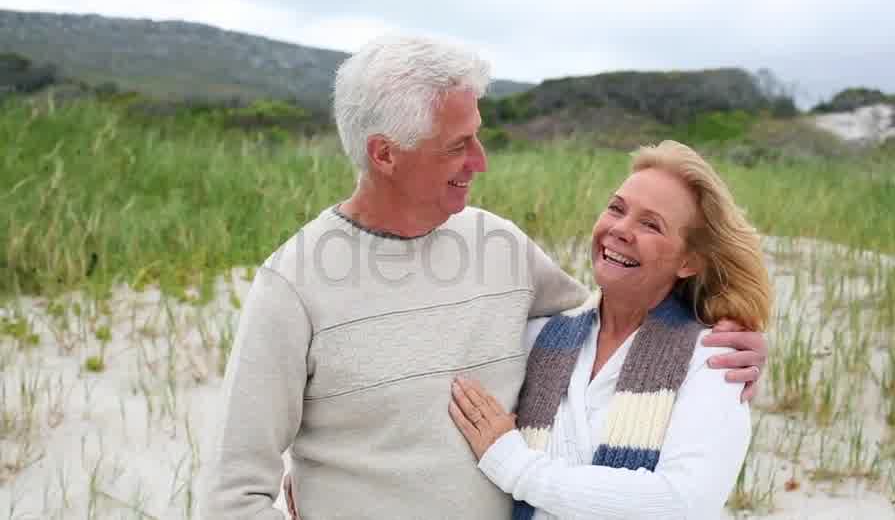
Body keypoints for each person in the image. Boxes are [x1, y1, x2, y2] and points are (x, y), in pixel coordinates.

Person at [198, 35, 767, 520]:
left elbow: (609, 322)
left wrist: (728, 342)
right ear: (386, 154)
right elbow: (231, 496)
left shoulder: (500, 246)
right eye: (458, 145)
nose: (481, 160)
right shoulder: (293, 283)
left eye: (477, 134)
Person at [449, 140, 772, 519]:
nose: (620, 229)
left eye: (651, 224)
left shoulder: (714, 361)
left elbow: (682, 503)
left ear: (689, 261)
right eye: (616, 208)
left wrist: (515, 467)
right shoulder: (541, 337)